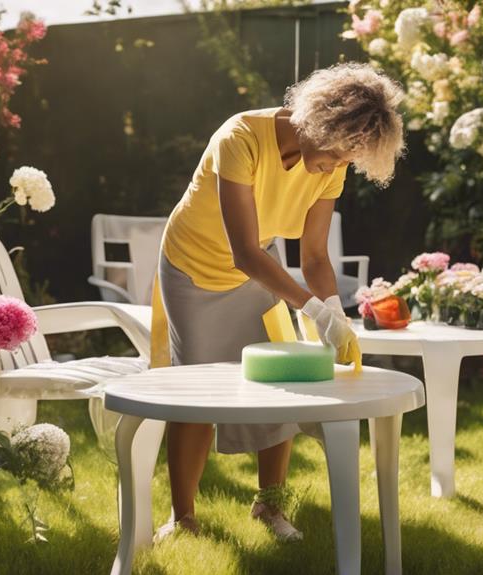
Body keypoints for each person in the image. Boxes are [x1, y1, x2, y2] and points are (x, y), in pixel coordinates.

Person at [153, 62, 405, 541]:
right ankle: (182, 517)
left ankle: (269, 507)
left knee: (279, 385)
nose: (336, 166)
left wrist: (332, 311)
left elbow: (313, 255)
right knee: (194, 396)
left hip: (258, 268)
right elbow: (244, 252)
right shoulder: (240, 138)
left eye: (348, 160)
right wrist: (310, 310)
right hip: (193, 267)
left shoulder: (332, 167)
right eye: (335, 152)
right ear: (318, 122)